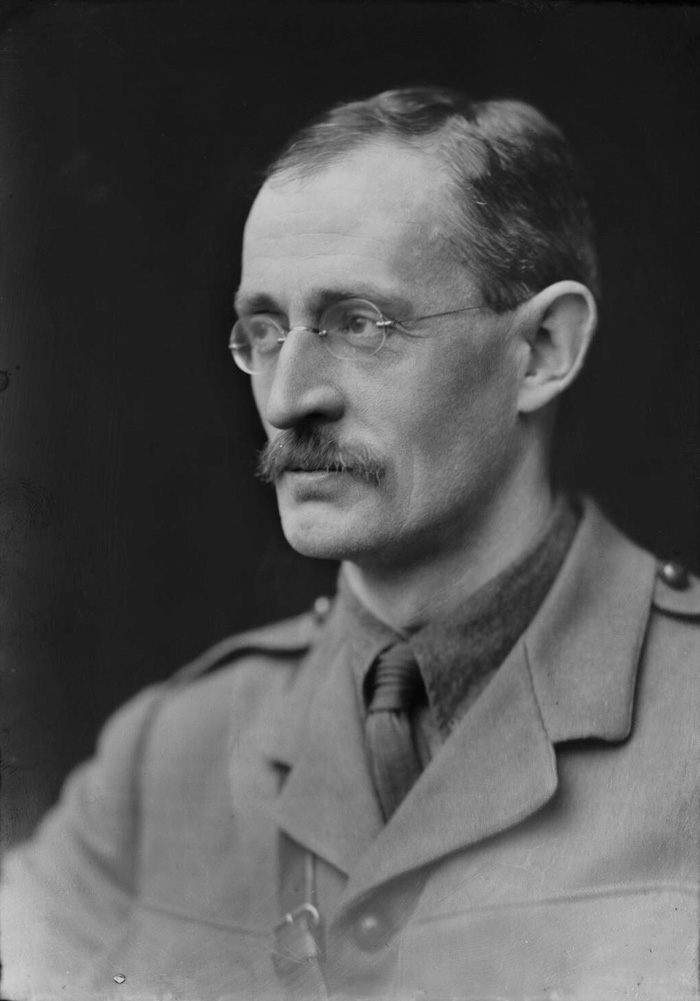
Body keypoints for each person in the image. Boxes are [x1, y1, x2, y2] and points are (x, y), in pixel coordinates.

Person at [2, 86, 699, 1001]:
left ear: (542, 352)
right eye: (264, 330)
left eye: (359, 323)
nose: (290, 399)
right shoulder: (163, 759)